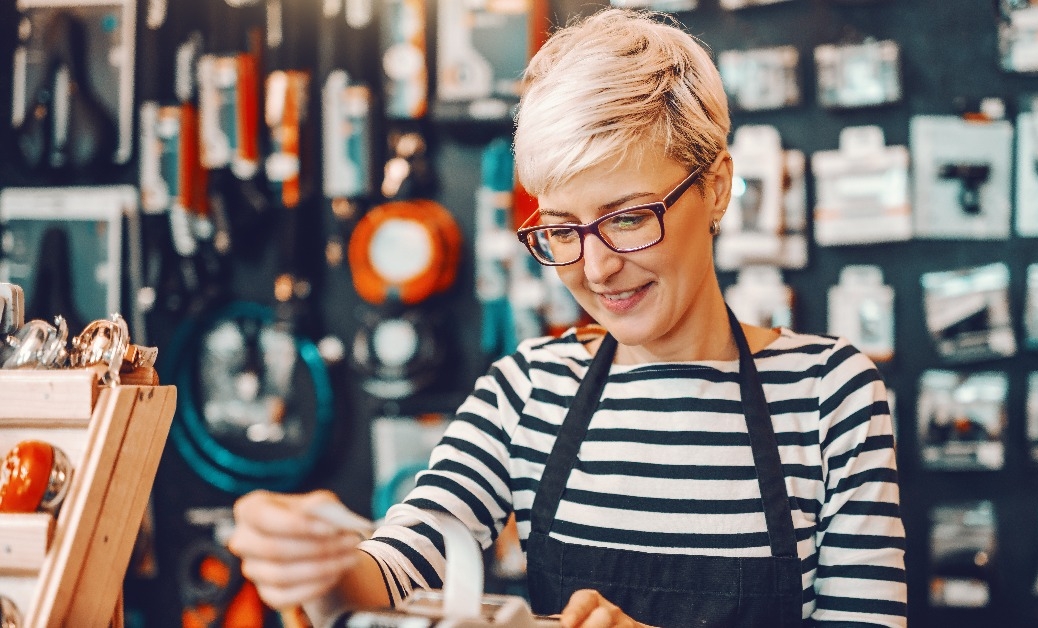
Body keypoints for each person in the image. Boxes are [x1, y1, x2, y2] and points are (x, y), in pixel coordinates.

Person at [227, 8, 907, 627]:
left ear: (717, 186)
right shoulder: (527, 393)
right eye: (562, 229)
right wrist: (314, 560)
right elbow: (399, 566)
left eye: (630, 218)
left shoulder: (827, 395)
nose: (598, 267)